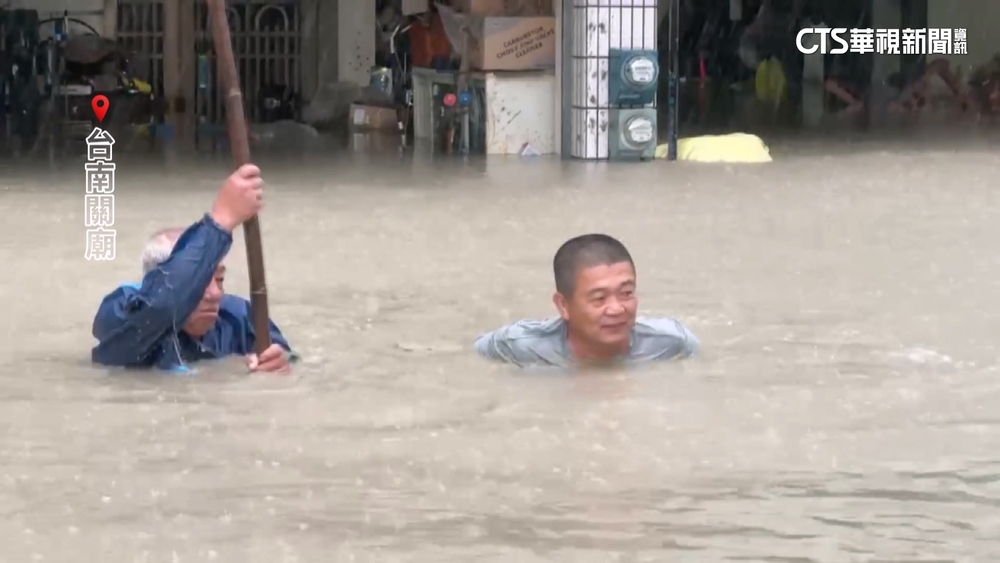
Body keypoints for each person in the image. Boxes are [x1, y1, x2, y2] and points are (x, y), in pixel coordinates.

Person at [91, 164, 294, 373]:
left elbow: (288, 357)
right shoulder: (122, 314)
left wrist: (277, 362)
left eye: (220, 280)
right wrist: (221, 220)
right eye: (202, 279)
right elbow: (164, 305)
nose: (215, 294)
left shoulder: (237, 318)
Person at [474, 234, 699, 368]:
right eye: (599, 298)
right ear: (563, 305)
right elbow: (471, 357)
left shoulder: (671, 342)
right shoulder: (521, 345)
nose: (617, 309)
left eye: (627, 293)